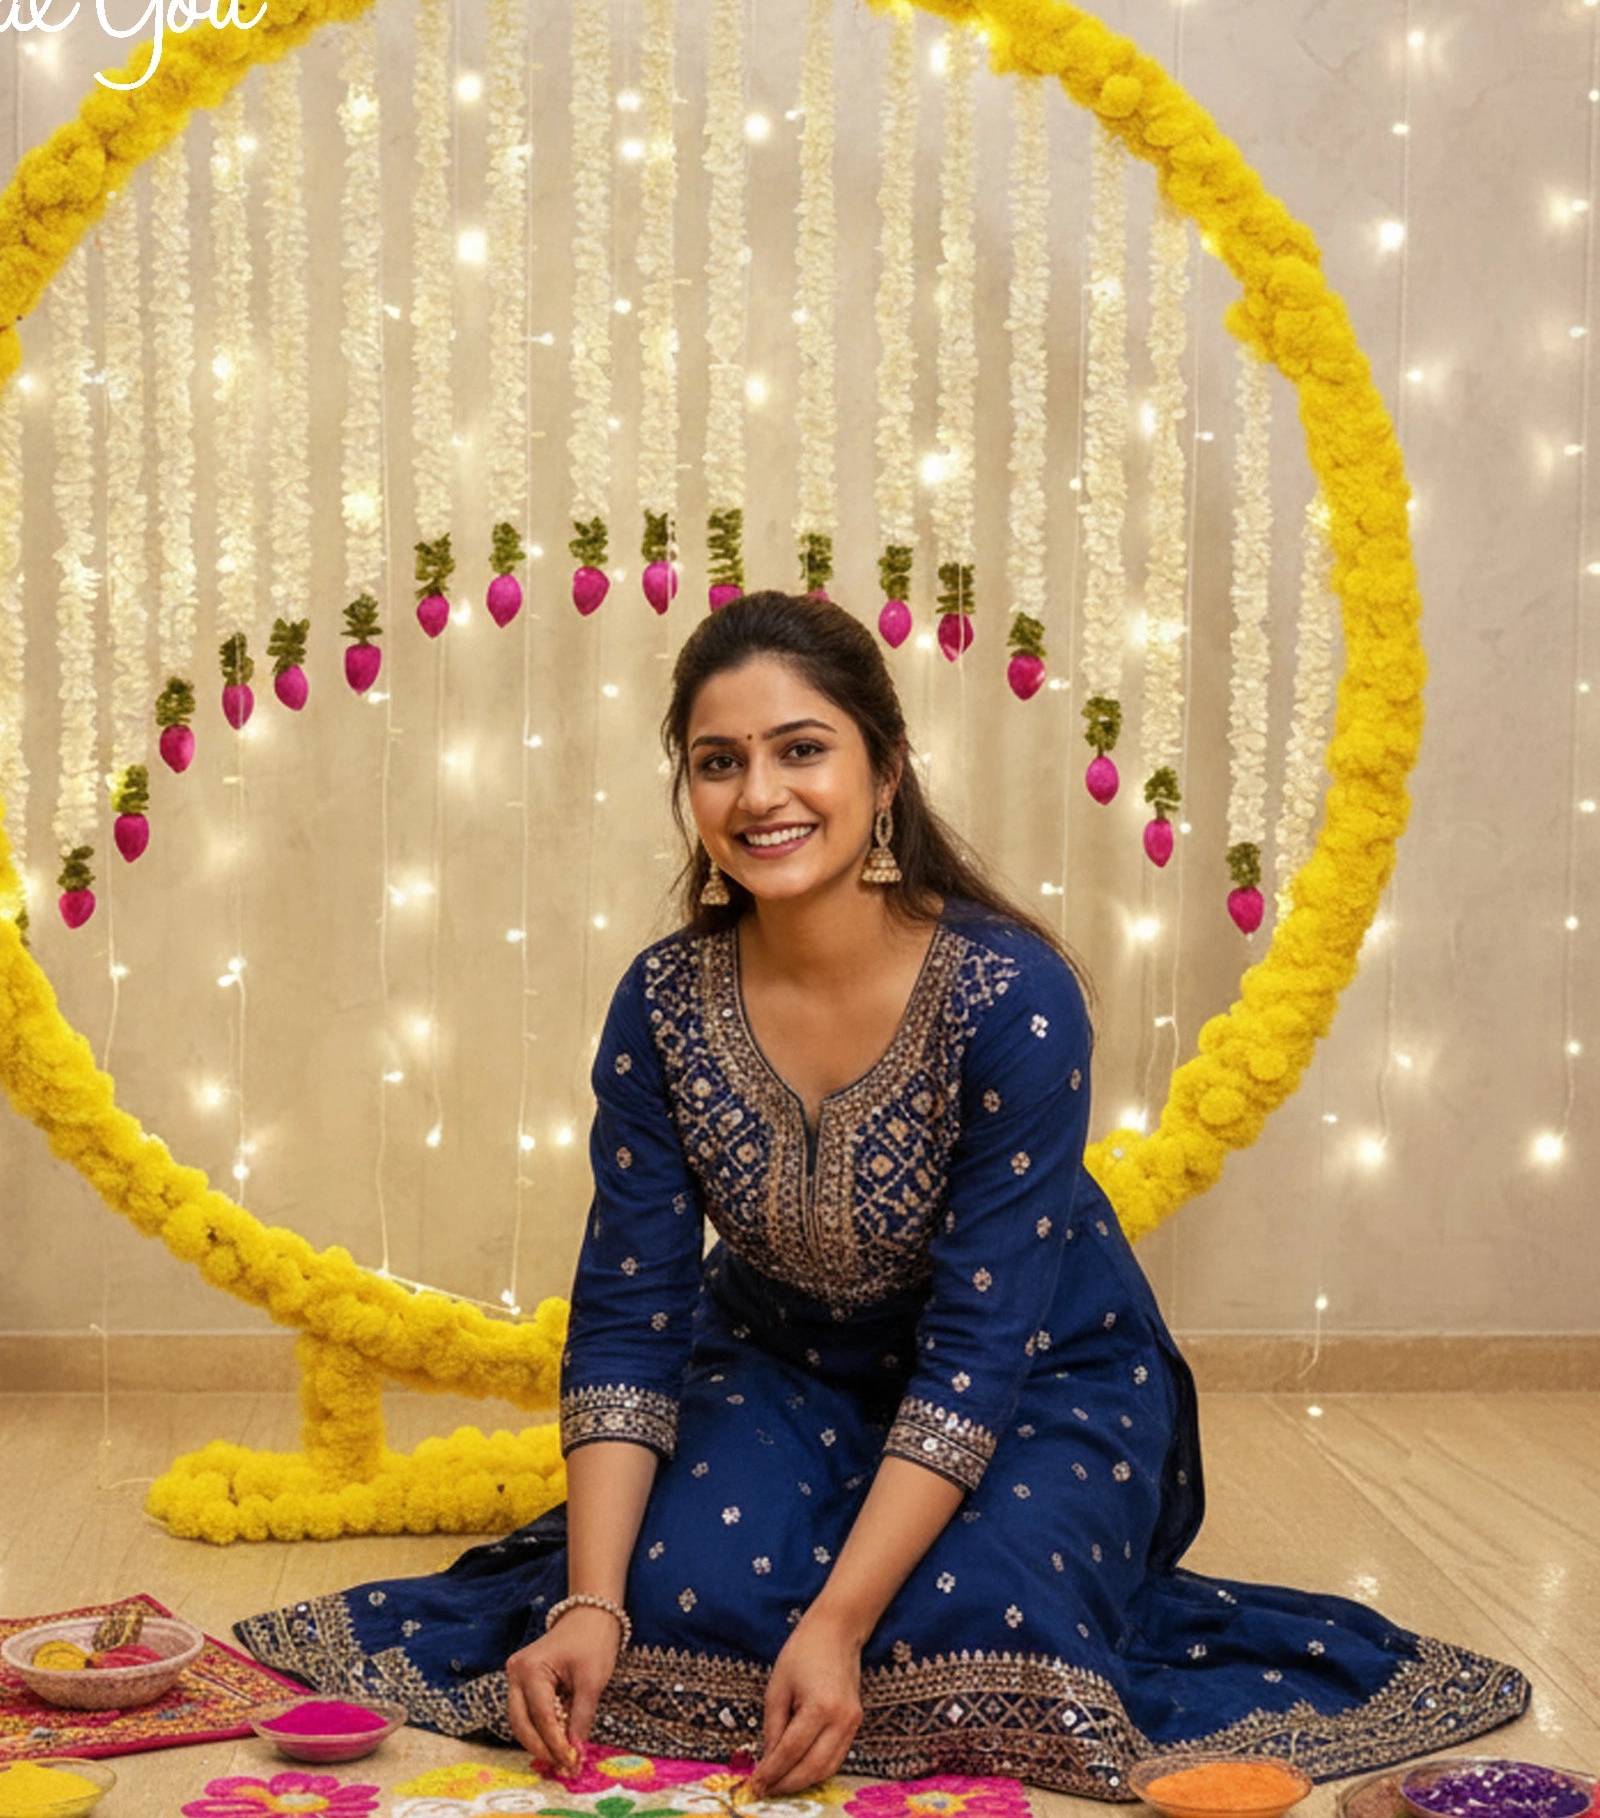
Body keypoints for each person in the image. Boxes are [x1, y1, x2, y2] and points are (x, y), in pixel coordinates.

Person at [234, 590, 1529, 1798]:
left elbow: (980, 1348)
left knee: (995, 1632)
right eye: (719, 761)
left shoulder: (1011, 998)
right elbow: (632, 1318)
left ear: (886, 771)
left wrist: (840, 1626)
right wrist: (590, 1605)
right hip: (779, 1362)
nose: (761, 795)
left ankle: (896, 1593)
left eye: (802, 750)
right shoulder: (665, 1005)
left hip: (1035, 1374)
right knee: (664, 1611)